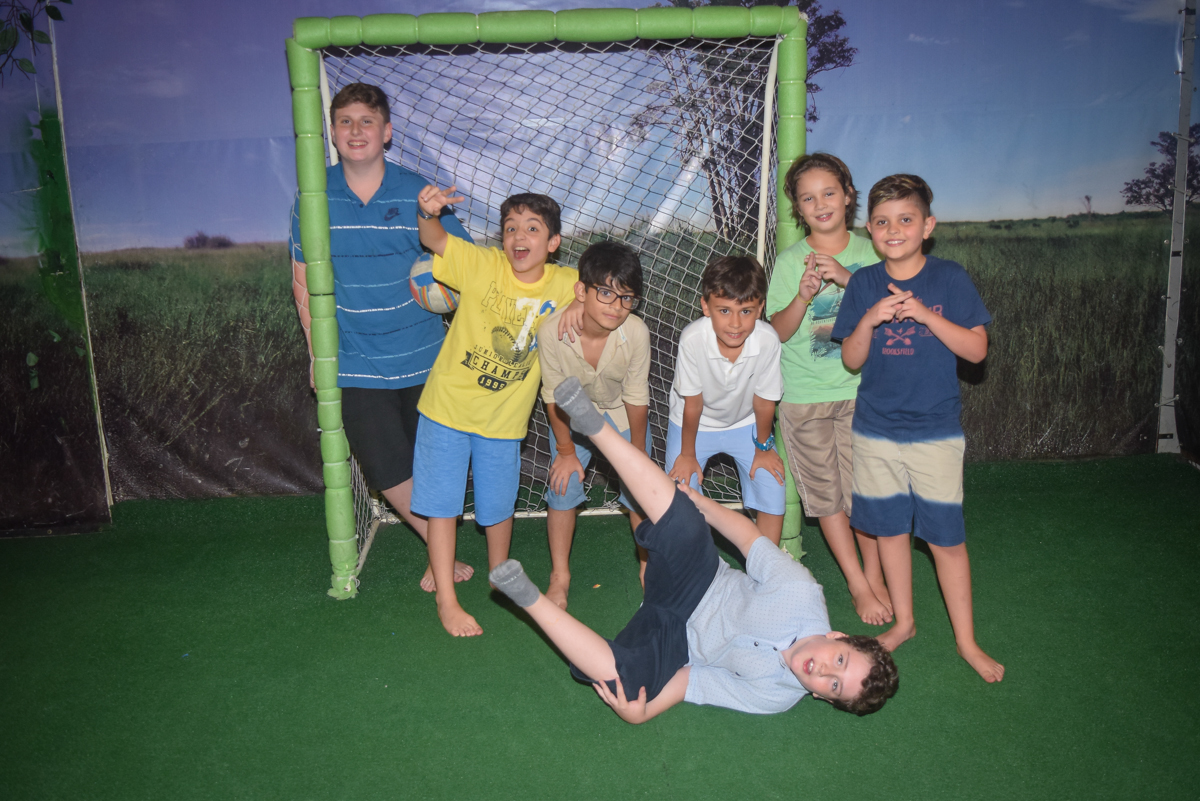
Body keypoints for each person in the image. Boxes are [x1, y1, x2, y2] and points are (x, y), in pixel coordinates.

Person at [489, 377, 899, 722]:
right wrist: (701, 504)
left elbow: (694, 682)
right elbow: (747, 539)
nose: (826, 671)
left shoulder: (774, 697)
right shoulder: (801, 593)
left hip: (678, 641)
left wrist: (644, 712)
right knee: (683, 515)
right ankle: (595, 427)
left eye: (833, 685)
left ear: (822, 698)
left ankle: (527, 597)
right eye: (840, 661)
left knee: (625, 683)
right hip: (700, 578)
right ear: (838, 636)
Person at [289, 82, 474, 592]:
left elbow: (466, 266)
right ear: (331, 131)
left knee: (434, 465)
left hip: (424, 355)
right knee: (384, 465)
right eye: (345, 121)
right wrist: (315, 352)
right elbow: (302, 277)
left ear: (387, 132)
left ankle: (439, 552)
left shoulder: (418, 193)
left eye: (367, 121)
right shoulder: (313, 195)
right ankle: (441, 551)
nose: (356, 131)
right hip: (354, 357)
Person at [831, 174, 1004, 682]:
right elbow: (851, 359)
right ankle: (904, 622)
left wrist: (927, 316)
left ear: (927, 226)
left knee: (946, 539)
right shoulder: (863, 282)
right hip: (875, 430)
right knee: (889, 530)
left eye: (906, 219)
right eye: (882, 222)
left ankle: (967, 642)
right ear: (869, 228)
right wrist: (869, 320)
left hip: (935, 431)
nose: (894, 229)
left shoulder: (949, 278)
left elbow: (976, 350)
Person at [411, 184, 579, 637]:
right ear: (501, 238)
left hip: (503, 423)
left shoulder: (566, 285)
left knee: (498, 508)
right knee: (442, 508)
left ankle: (500, 576)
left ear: (553, 243)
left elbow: (598, 296)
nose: (519, 237)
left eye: (532, 228)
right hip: (447, 408)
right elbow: (435, 239)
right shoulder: (483, 264)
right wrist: (428, 212)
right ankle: (447, 599)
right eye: (510, 229)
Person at [766, 153, 892, 626]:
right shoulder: (788, 262)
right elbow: (775, 332)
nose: (820, 204)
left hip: (864, 394)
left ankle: (876, 577)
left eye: (829, 193)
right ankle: (858, 584)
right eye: (807, 197)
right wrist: (801, 295)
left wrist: (846, 278)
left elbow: (896, 304)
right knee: (827, 498)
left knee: (867, 493)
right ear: (798, 208)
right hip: (805, 398)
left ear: (848, 195)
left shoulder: (871, 253)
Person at [538, 241, 652, 608]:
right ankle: (560, 576)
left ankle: (648, 566)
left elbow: (636, 396)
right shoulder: (551, 332)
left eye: (626, 298)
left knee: (642, 494)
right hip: (572, 421)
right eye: (605, 293)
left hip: (619, 414)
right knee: (562, 485)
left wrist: (636, 455)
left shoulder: (635, 332)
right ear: (581, 292)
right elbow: (553, 398)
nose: (616, 307)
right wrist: (566, 451)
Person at [666, 255, 786, 543]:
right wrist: (687, 454)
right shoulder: (693, 338)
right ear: (705, 306)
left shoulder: (768, 340)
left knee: (773, 482)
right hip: (693, 425)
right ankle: (694, 567)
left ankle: (769, 567)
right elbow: (693, 404)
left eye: (746, 311)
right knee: (680, 493)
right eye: (724, 310)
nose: (735, 323)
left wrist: (764, 446)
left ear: (760, 309)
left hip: (745, 423)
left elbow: (764, 400)